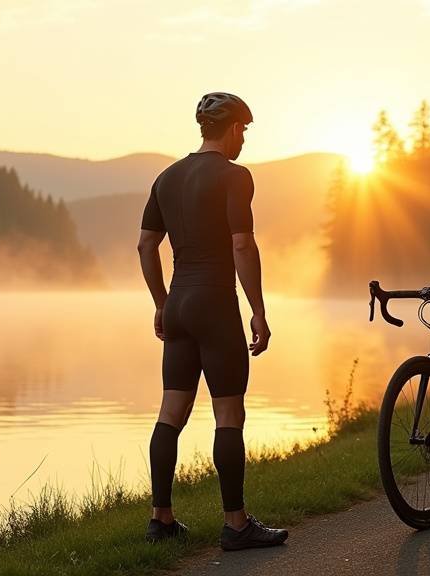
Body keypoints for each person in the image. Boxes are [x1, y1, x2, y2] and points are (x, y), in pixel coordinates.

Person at [137, 92, 288, 551]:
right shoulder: (235, 176)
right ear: (234, 129)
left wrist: (162, 303)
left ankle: (161, 520)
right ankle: (236, 525)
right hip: (215, 303)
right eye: (244, 130)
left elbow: (146, 246)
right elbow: (243, 245)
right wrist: (258, 309)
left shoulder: (166, 177)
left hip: (180, 302)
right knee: (229, 414)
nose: (244, 139)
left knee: (171, 413)